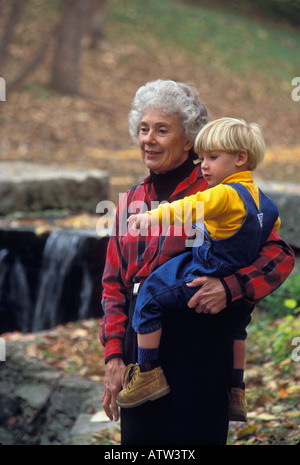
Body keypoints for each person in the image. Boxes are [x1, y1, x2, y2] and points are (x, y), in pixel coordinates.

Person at [100, 79, 294, 445]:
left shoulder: (218, 190)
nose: (148, 139)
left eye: (162, 130)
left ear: (189, 139)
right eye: (143, 129)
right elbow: (113, 285)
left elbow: (279, 255)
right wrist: (113, 356)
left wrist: (230, 287)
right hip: (141, 348)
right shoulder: (128, 202)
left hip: (201, 339)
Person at [116, 117, 281, 418]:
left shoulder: (223, 193)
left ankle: (148, 372)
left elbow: (190, 206)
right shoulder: (266, 203)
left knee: (149, 295)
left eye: (212, 158)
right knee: (238, 331)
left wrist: (150, 218)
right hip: (236, 288)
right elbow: (266, 233)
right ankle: (236, 388)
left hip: (207, 269)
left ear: (240, 158)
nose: (204, 165)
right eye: (202, 158)